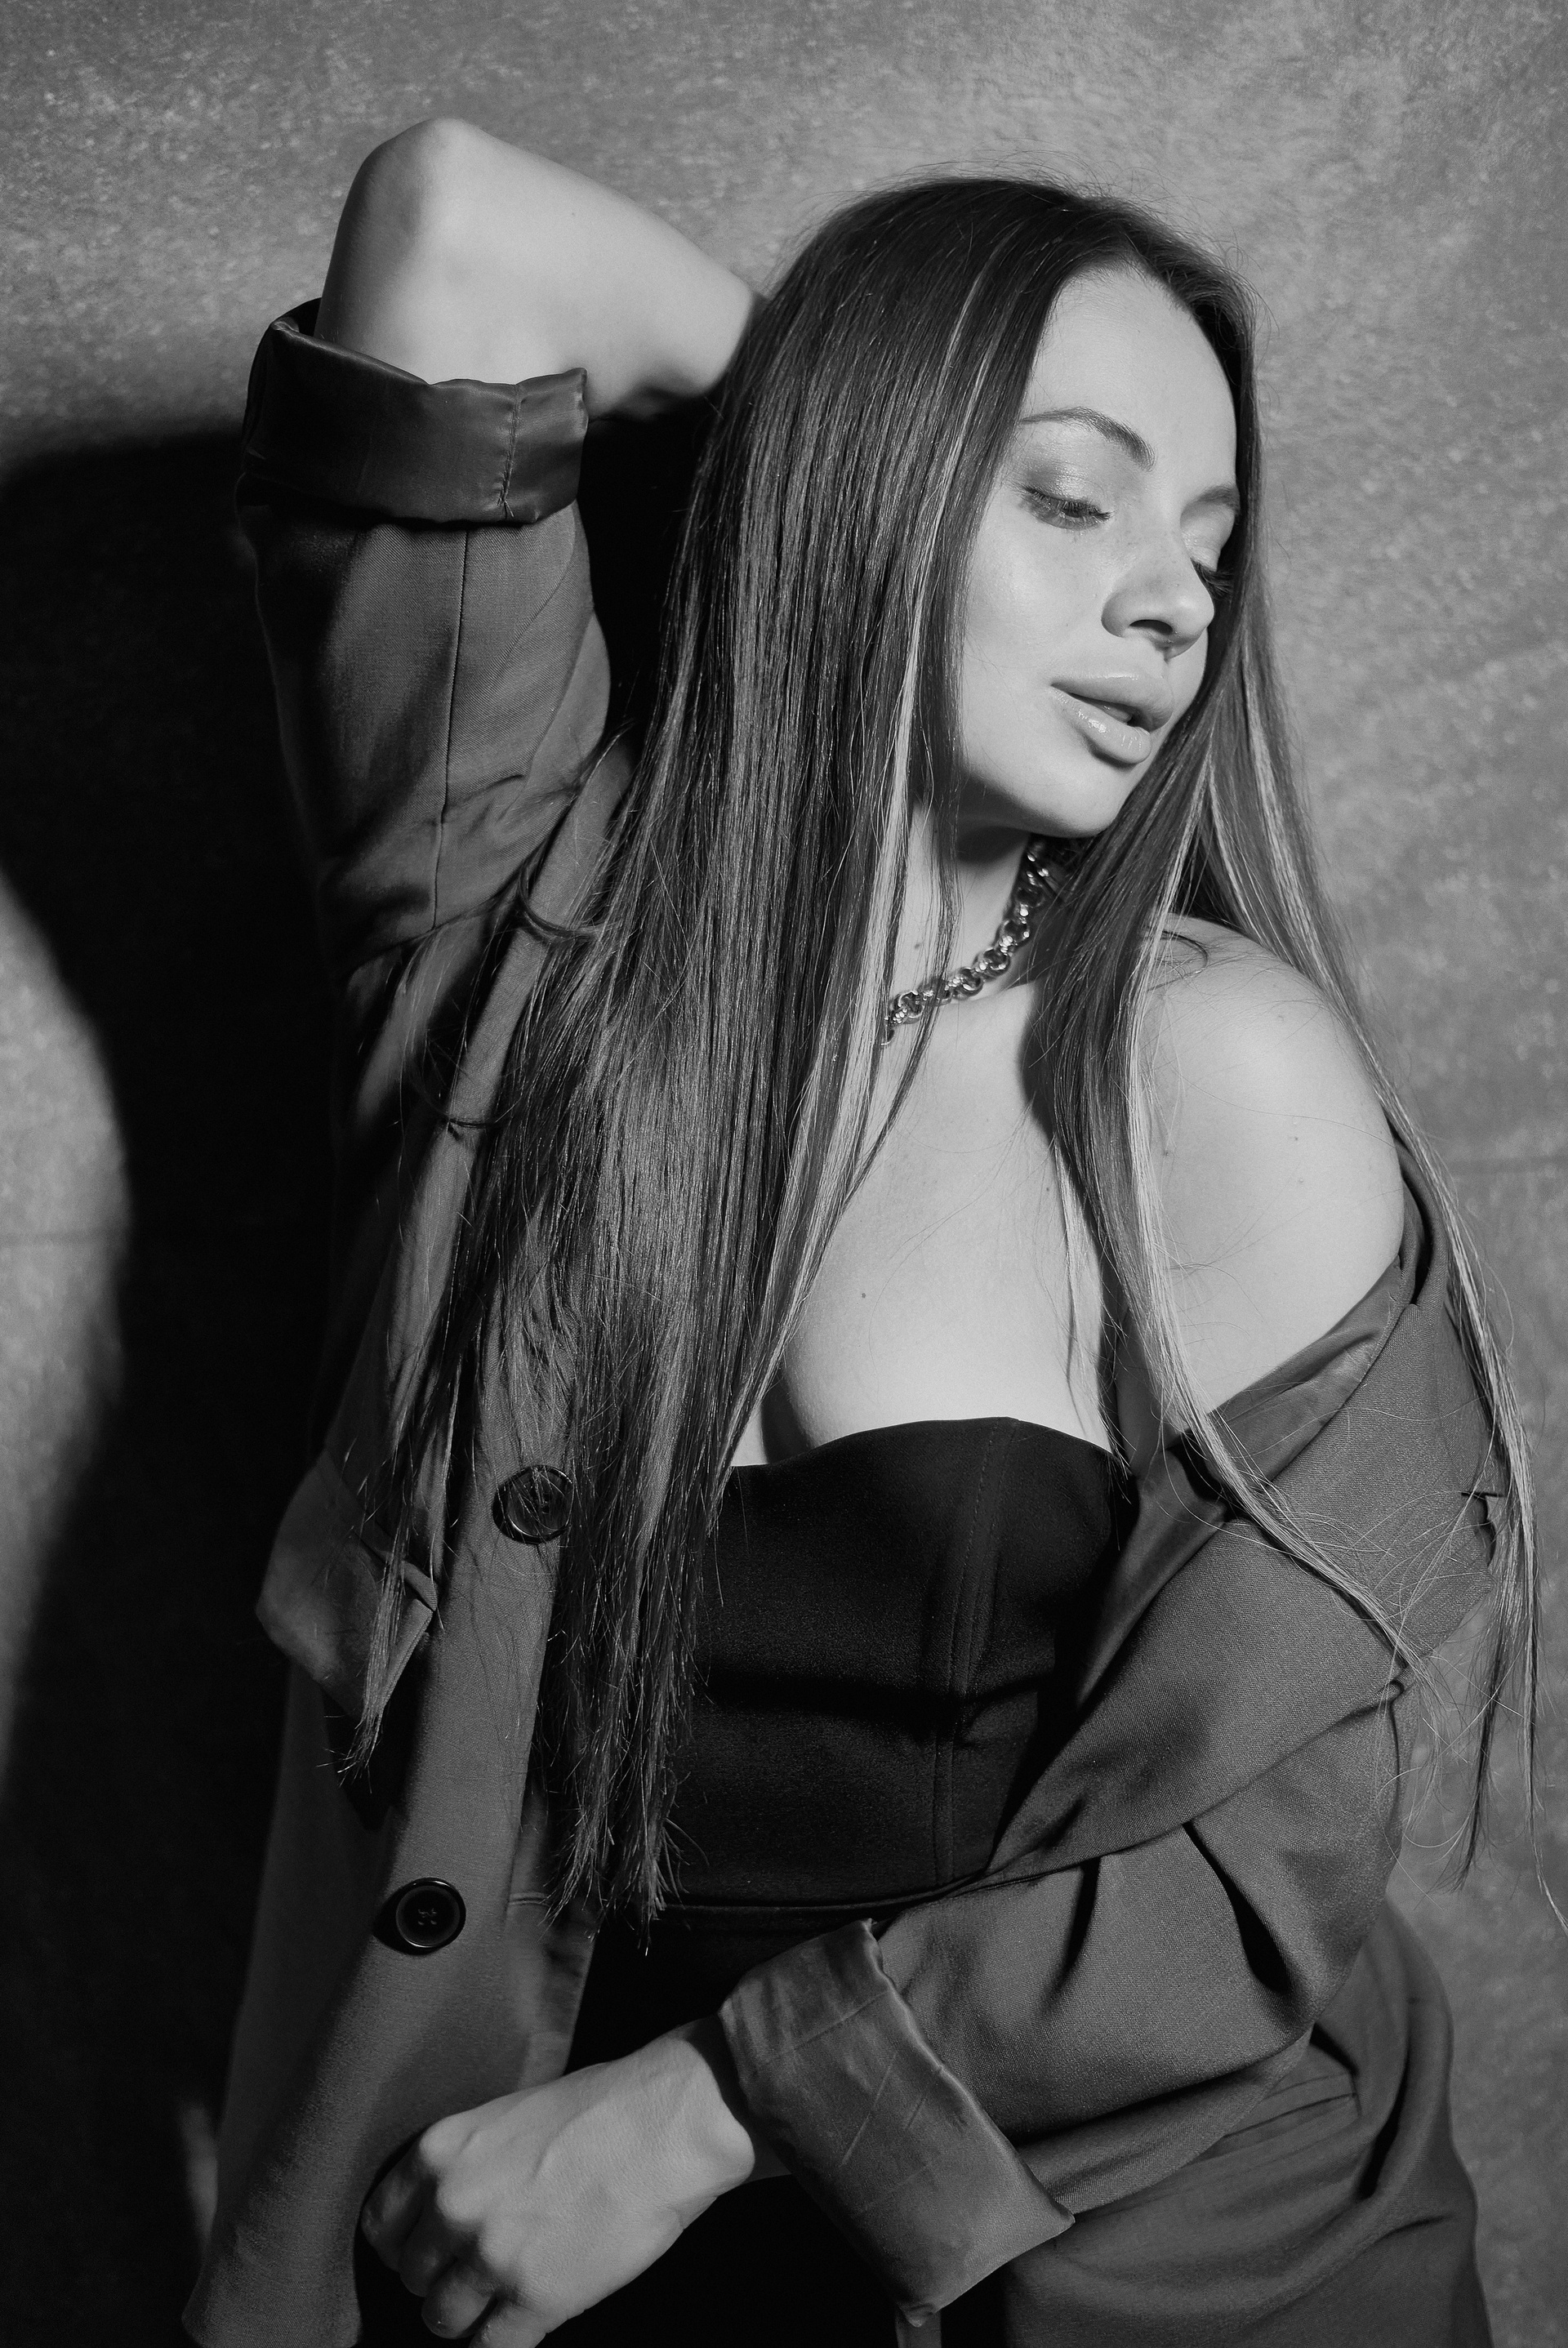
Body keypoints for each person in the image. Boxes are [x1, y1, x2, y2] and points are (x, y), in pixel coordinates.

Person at [185, 119, 1537, 2348]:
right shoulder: (503, 936)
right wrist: (848, 438)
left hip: (1134, 2261)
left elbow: (1260, 1858)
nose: (1174, 603)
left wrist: (705, 2108)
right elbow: (447, 225)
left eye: (1209, 546)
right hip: (538, 2235)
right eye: (1076, 497)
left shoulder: (1211, 1071)